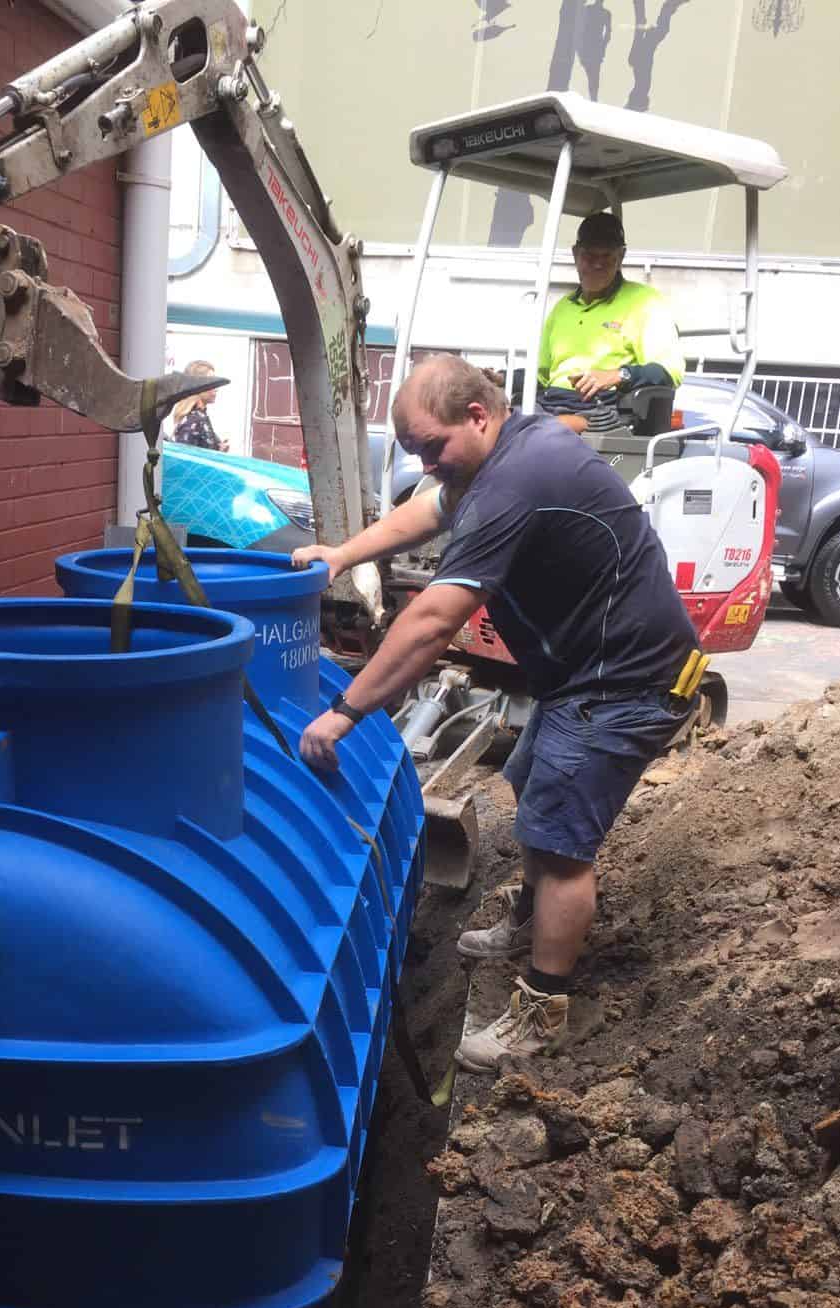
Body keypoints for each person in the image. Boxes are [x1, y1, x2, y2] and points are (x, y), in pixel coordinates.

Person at [291, 356, 699, 1073]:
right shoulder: (492, 461)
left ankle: (543, 1009)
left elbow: (431, 622)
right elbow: (426, 509)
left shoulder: (517, 479)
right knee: (528, 774)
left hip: (627, 681)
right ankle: (526, 921)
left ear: (477, 416)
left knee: (562, 838)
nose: (427, 464)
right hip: (584, 674)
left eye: (431, 448)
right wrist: (341, 555)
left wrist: (345, 713)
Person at [536, 211, 685, 424]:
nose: (597, 264)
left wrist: (617, 375)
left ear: (621, 256)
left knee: (540, 433)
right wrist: (500, 378)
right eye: (589, 256)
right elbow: (541, 376)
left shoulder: (645, 302)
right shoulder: (562, 308)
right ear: (575, 254)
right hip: (551, 404)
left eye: (607, 256)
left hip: (601, 412)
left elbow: (670, 371)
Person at [171, 359, 230, 452]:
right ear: (197, 386)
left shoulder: (201, 417)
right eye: (211, 382)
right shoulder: (192, 422)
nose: (216, 388)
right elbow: (187, 463)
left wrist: (219, 450)